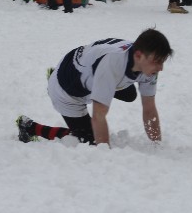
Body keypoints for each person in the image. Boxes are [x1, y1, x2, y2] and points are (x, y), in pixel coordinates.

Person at [16, 29, 172, 146]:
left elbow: (149, 109)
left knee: (129, 95)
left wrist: (156, 145)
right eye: (157, 62)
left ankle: (69, 75)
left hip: (85, 68)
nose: (161, 68)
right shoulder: (112, 64)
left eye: (162, 61)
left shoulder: (145, 61)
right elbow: (99, 116)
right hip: (67, 90)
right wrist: (104, 153)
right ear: (138, 55)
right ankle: (30, 128)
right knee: (87, 141)